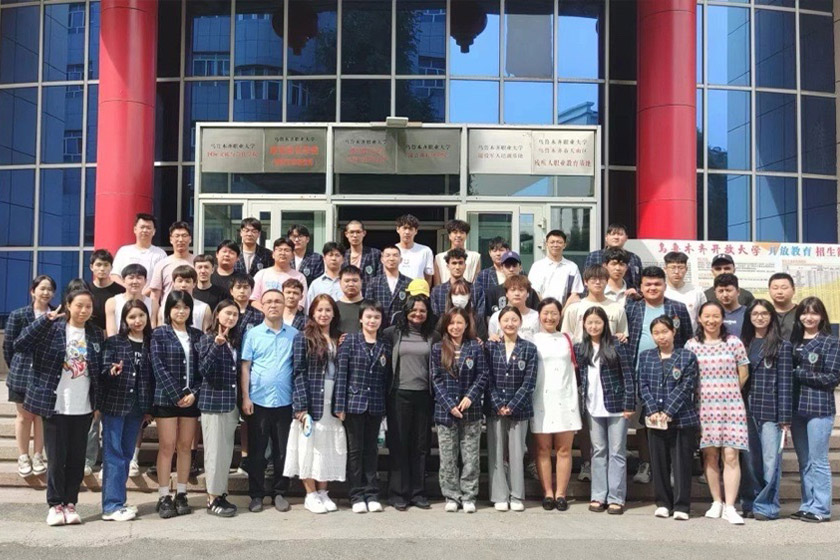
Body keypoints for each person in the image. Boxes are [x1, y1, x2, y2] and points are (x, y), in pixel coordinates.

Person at [15, 289, 104, 526]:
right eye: (79, 305)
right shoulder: (52, 328)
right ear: (68, 305)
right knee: (56, 458)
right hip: (56, 404)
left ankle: (70, 503)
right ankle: (55, 505)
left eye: (88, 307)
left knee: (76, 459)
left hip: (83, 405)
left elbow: (97, 368)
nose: (83, 311)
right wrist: (44, 320)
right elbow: (21, 344)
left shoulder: (95, 333)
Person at [625, 266, 693, 485]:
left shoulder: (677, 308)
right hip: (641, 374)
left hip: (672, 376)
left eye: (657, 284)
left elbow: (687, 338)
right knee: (645, 421)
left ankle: (672, 467)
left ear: (664, 285)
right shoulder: (632, 307)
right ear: (641, 287)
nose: (652, 288)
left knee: (671, 421)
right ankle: (646, 463)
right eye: (648, 284)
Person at [686, 301, 750, 525]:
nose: (711, 320)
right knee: (710, 454)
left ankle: (730, 506)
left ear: (722, 318)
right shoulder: (692, 345)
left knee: (731, 455)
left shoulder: (733, 342)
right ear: (699, 318)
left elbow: (743, 371)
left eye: (716, 316)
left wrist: (729, 392)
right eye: (707, 316)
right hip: (704, 407)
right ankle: (716, 502)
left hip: (731, 406)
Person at [285, 294, 347, 514]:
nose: (324, 314)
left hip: (333, 398)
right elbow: (298, 372)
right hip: (312, 397)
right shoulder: (303, 337)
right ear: (312, 312)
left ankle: (323, 491)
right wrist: (301, 407)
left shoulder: (339, 338)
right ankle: (310, 494)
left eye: (328, 310)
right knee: (309, 447)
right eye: (319, 310)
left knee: (328, 446)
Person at [637, 315, 700, 521]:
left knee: (681, 463)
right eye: (656, 333)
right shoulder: (646, 357)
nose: (661, 337)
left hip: (681, 418)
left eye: (665, 332)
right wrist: (652, 410)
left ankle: (682, 505)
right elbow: (642, 385)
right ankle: (663, 502)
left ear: (673, 332)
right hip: (654, 419)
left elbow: (686, 387)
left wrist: (668, 411)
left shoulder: (686, 356)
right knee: (659, 463)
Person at [574, 307, 634, 515]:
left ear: (605, 324)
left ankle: (616, 498)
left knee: (617, 452)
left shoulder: (617, 344)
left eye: (597, 322)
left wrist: (629, 404)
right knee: (598, 451)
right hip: (593, 406)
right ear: (584, 325)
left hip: (617, 407)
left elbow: (628, 376)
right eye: (589, 322)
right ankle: (598, 495)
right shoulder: (581, 348)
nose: (593, 326)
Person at [240, 289, 297, 513]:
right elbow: (246, 367)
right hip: (258, 401)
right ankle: (256, 494)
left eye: (278, 301)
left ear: (284, 305)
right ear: (262, 306)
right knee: (257, 451)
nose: (273, 305)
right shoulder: (253, 334)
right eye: (269, 302)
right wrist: (246, 397)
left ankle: (280, 492)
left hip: (285, 402)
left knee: (282, 451)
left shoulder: (294, 335)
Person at [382, 294, 439, 510]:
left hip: (424, 395)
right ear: (406, 311)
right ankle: (398, 493)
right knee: (399, 444)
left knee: (420, 446)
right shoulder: (392, 333)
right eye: (413, 310)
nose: (418, 314)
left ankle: (418, 492)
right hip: (398, 395)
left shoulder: (434, 336)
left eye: (422, 310)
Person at [150, 290, 203, 519]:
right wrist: (177, 394)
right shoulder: (159, 334)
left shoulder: (197, 335)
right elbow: (158, 366)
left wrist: (194, 393)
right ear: (168, 310)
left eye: (185, 307)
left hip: (191, 400)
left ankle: (182, 492)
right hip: (166, 398)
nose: (181, 312)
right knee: (167, 446)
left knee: (184, 446)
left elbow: (202, 368)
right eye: (176, 307)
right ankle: (164, 495)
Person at [99, 300, 154, 522]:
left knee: (126, 455)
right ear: (124, 320)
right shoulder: (114, 342)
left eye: (141, 315)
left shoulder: (152, 342)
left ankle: (118, 502)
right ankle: (111, 505)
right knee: (113, 454)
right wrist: (112, 371)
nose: (137, 320)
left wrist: (149, 408)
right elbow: (103, 371)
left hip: (138, 407)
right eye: (132, 317)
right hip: (115, 405)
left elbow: (152, 378)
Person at [336, 300, 392, 513]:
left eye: (376, 317)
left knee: (371, 450)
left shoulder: (384, 344)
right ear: (361, 319)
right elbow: (342, 374)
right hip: (354, 404)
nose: (372, 321)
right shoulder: (350, 341)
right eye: (368, 316)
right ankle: (356, 494)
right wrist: (340, 405)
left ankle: (372, 493)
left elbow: (386, 378)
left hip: (375, 404)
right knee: (355, 450)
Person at [430, 308, 488, 513]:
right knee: (448, 458)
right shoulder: (438, 348)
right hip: (446, 412)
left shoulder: (475, 347)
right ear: (446, 325)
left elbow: (482, 374)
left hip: (471, 410)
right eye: (452, 323)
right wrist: (449, 405)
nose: (455, 327)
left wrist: (470, 397)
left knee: (471, 457)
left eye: (459, 322)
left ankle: (469, 495)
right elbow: (435, 379)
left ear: (466, 325)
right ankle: (452, 495)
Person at [741, 299, 793, 521]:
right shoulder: (743, 343)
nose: (759, 317)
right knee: (750, 460)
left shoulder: (782, 346)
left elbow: (785, 384)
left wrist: (785, 418)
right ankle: (750, 502)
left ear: (771, 317)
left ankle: (768, 506)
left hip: (771, 411)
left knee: (771, 461)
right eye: (755, 314)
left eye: (764, 313)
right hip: (746, 409)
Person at [789, 297, 840, 523]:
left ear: (821, 317)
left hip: (819, 408)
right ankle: (807, 504)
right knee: (804, 460)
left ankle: (821, 508)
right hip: (796, 408)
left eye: (814, 313)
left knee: (818, 460)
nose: (808, 317)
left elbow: (832, 377)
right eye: (804, 313)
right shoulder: (793, 341)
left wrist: (800, 373)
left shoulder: (831, 342)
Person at [485, 306, 537, 512]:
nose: (510, 324)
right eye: (506, 320)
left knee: (517, 453)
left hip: (520, 408)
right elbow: (487, 378)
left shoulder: (529, 348)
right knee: (496, 451)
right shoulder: (491, 347)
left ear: (520, 322)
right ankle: (499, 494)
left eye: (514, 320)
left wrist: (513, 404)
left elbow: (529, 382)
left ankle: (516, 495)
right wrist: (498, 403)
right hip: (495, 407)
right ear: (499, 323)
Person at [531, 298, 580, 511]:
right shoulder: (531, 340)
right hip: (540, 398)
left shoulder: (569, 338)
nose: (550, 317)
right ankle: (548, 493)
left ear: (560, 316)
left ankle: (561, 493)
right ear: (539, 315)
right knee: (543, 449)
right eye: (546, 313)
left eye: (554, 313)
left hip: (566, 398)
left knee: (564, 449)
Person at [4, 275, 54, 479]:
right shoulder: (18, 315)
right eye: (42, 288)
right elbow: (9, 346)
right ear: (32, 291)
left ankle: (38, 456)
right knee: (24, 417)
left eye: (49, 289)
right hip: (22, 373)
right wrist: (16, 367)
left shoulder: (57, 315)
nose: (46, 293)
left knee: (41, 417)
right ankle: (23, 456)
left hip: (45, 374)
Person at [198, 299, 241, 517]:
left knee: (225, 452)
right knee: (214, 452)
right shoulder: (207, 338)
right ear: (217, 315)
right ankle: (212, 498)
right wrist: (217, 345)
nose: (231, 318)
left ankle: (221, 493)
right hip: (213, 402)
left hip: (230, 404)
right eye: (227, 313)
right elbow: (203, 370)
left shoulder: (235, 340)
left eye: (235, 314)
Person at [227, 273, 264, 476]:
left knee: (248, 418)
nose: (242, 291)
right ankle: (226, 459)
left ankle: (246, 459)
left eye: (246, 287)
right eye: (238, 287)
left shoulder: (258, 315)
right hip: (227, 371)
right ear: (231, 290)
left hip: (250, 371)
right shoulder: (225, 311)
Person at [561, 265, 628, 343]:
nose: (597, 282)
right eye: (593, 279)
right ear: (585, 282)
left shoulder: (618, 308)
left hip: (607, 349)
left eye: (601, 279)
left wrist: (621, 337)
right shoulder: (573, 308)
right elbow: (566, 337)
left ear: (607, 281)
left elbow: (622, 336)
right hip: (580, 349)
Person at [111, 213, 167, 290]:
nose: (145, 230)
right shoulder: (124, 251)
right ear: (135, 229)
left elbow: (160, 280)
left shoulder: (160, 254)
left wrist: (143, 294)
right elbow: (114, 275)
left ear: (154, 231)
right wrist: (129, 290)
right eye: (142, 227)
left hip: (148, 296)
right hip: (125, 295)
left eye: (148, 228)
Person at [251, 237, 308, 312]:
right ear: (273, 254)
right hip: (264, 315)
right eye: (279, 250)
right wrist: (268, 313)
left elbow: (300, 305)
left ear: (292, 255)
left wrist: (282, 315)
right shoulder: (261, 274)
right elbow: (253, 300)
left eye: (287, 250)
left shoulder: (299, 277)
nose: (283, 253)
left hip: (289, 317)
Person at [584, 223, 643, 295]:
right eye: (613, 234)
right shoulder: (594, 256)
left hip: (627, 297)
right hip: (600, 296)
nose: (616, 237)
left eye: (620, 234)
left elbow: (640, 283)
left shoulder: (634, 258)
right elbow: (587, 280)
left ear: (626, 238)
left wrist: (636, 293)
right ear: (606, 237)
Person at [528, 229, 583, 304]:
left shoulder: (572, 267)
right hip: (540, 309)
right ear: (546, 244)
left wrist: (563, 310)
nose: (555, 245)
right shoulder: (537, 266)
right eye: (552, 242)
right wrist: (545, 308)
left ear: (564, 245)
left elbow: (575, 293)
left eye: (559, 242)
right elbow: (533, 291)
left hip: (565, 309)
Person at [364, 244, 411, 328]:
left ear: (401, 259)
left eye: (395, 255)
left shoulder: (409, 282)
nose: (391, 258)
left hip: (401, 328)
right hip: (378, 328)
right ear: (382, 259)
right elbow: (368, 307)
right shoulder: (373, 282)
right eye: (388, 255)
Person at [430, 248, 486, 318]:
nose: (457, 267)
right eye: (454, 263)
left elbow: (480, 317)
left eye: (460, 263)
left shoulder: (476, 290)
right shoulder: (437, 291)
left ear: (465, 266)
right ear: (448, 266)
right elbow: (435, 318)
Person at [149, 221, 195, 303]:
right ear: (171, 239)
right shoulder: (162, 264)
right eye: (177, 236)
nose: (180, 239)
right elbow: (155, 296)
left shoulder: (198, 263)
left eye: (184, 236)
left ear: (190, 239)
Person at [157, 265, 213, 332]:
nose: (183, 285)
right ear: (173, 283)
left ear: (194, 284)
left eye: (187, 281)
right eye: (180, 281)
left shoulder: (203, 308)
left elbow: (206, 333)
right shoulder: (163, 307)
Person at [484, 250, 540, 317]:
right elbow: (488, 317)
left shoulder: (530, 291)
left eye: (514, 265)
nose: (511, 269)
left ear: (520, 268)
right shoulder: (493, 292)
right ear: (502, 268)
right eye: (507, 266)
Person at [106, 264, 156, 336]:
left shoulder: (153, 303)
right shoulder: (112, 302)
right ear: (123, 280)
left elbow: (153, 328)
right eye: (131, 278)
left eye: (139, 278)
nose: (135, 281)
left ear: (145, 281)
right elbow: (111, 331)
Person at [488, 275, 540, 341]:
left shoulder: (536, 317)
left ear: (528, 294)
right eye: (513, 290)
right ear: (506, 293)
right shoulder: (496, 317)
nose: (517, 294)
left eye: (521, 290)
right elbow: (492, 338)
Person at [663, 251, 706, 330]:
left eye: (680, 268)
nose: (676, 272)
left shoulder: (697, 291)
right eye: (673, 268)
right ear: (665, 269)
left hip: (691, 336)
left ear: (686, 269)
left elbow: (704, 317)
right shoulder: (661, 291)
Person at [434, 219, 481, 284]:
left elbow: (476, 281)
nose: (458, 235)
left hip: (468, 289)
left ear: (466, 235)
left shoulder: (475, 256)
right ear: (449, 236)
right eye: (455, 232)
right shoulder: (439, 257)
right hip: (445, 289)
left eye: (462, 232)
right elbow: (437, 283)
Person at [88, 249, 125, 331]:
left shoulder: (121, 291)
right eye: (98, 265)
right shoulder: (86, 290)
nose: (102, 269)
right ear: (91, 267)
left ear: (111, 267)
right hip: (90, 334)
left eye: (106, 265)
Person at [305, 241, 344, 312]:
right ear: (324, 258)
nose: (333, 258)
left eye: (337, 255)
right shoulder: (316, 284)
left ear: (343, 259)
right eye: (330, 255)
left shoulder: (347, 283)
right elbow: (309, 310)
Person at [395, 214, 434, 283]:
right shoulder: (391, 251)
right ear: (398, 229)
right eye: (404, 228)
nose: (407, 232)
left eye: (410, 229)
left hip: (418, 289)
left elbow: (428, 276)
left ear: (416, 231)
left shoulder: (425, 251)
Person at [344, 220, 382, 285]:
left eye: (358, 232)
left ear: (364, 233)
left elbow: (380, 278)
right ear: (346, 234)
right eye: (352, 232)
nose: (355, 235)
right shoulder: (342, 255)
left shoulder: (375, 254)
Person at [336, 265, 364, 334]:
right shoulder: (333, 307)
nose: (351, 284)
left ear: (361, 282)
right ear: (340, 282)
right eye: (347, 281)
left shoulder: (370, 307)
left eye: (355, 280)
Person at [768, 273, 796, 340]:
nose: (779, 292)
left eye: (784, 288)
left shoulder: (801, 312)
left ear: (793, 290)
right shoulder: (765, 312)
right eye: (775, 288)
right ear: (769, 290)